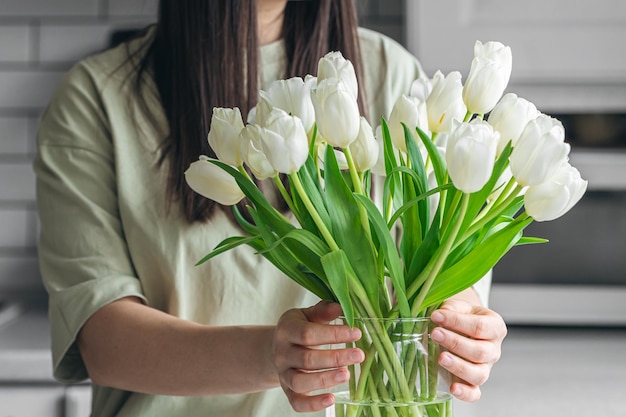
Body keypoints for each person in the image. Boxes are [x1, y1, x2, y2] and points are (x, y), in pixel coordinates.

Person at [33, 1, 507, 416]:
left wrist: (463, 324)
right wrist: (271, 354)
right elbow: (101, 340)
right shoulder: (96, 99)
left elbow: (442, 272)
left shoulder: (390, 73)